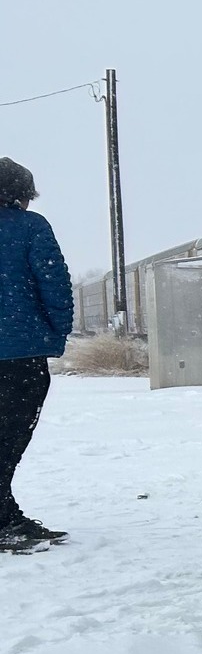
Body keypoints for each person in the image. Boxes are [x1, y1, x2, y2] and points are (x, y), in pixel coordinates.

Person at [0, 157, 72, 551]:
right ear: (23, 195)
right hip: (17, 355)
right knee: (8, 437)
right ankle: (2, 520)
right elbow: (54, 282)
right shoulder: (30, 226)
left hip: (16, 348)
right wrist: (58, 329)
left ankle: (4, 512)